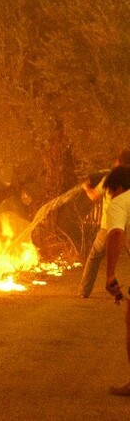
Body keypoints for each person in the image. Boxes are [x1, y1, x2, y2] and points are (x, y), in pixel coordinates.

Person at [78, 149, 130, 298]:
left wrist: (85, 187)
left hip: (109, 226)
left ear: (119, 162)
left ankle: (84, 292)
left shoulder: (111, 178)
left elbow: (93, 196)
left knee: (94, 256)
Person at [102, 166, 130, 396]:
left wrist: (110, 274)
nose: (110, 197)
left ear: (119, 188)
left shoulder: (120, 202)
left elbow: (116, 234)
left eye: (110, 192)